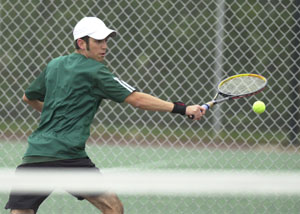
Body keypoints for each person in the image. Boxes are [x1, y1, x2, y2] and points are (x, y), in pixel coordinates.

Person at [5, 17, 206, 214]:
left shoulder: (54, 65)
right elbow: (136, 99)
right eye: (98, 41)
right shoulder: (96, 71)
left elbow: (28, 97)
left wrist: (54, 114)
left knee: (21, 210)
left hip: (37, 152)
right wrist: (182, 108)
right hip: (68, 155)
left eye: (106, 40)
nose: (105, 46)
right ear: (81, 43)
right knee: (112, 207)